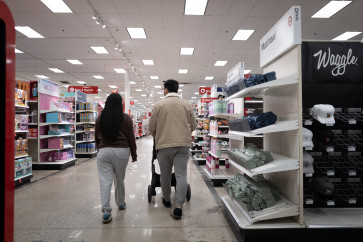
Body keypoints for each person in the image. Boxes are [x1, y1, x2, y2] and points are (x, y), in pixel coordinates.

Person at [149, 79, 197, 219]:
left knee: (165, 174)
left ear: (166, 90)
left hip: (164, 145)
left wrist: (158, 136)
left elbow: (151, 127)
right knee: (181, 174)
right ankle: (179, 206)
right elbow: (193, 125)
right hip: (183, 145)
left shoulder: (159, 105)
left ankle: (167, 200)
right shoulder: (187, 105)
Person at [95, 93, 137, 224]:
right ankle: (120, 203)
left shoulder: (100, 118)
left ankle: (106, 212)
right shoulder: (126, 118)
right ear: (121, 104)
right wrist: (134, 154)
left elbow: (96, 136)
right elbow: (131, 138)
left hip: (104, 151)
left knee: (105, 181)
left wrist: (99, 148)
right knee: (120, 179)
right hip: (122, 151)